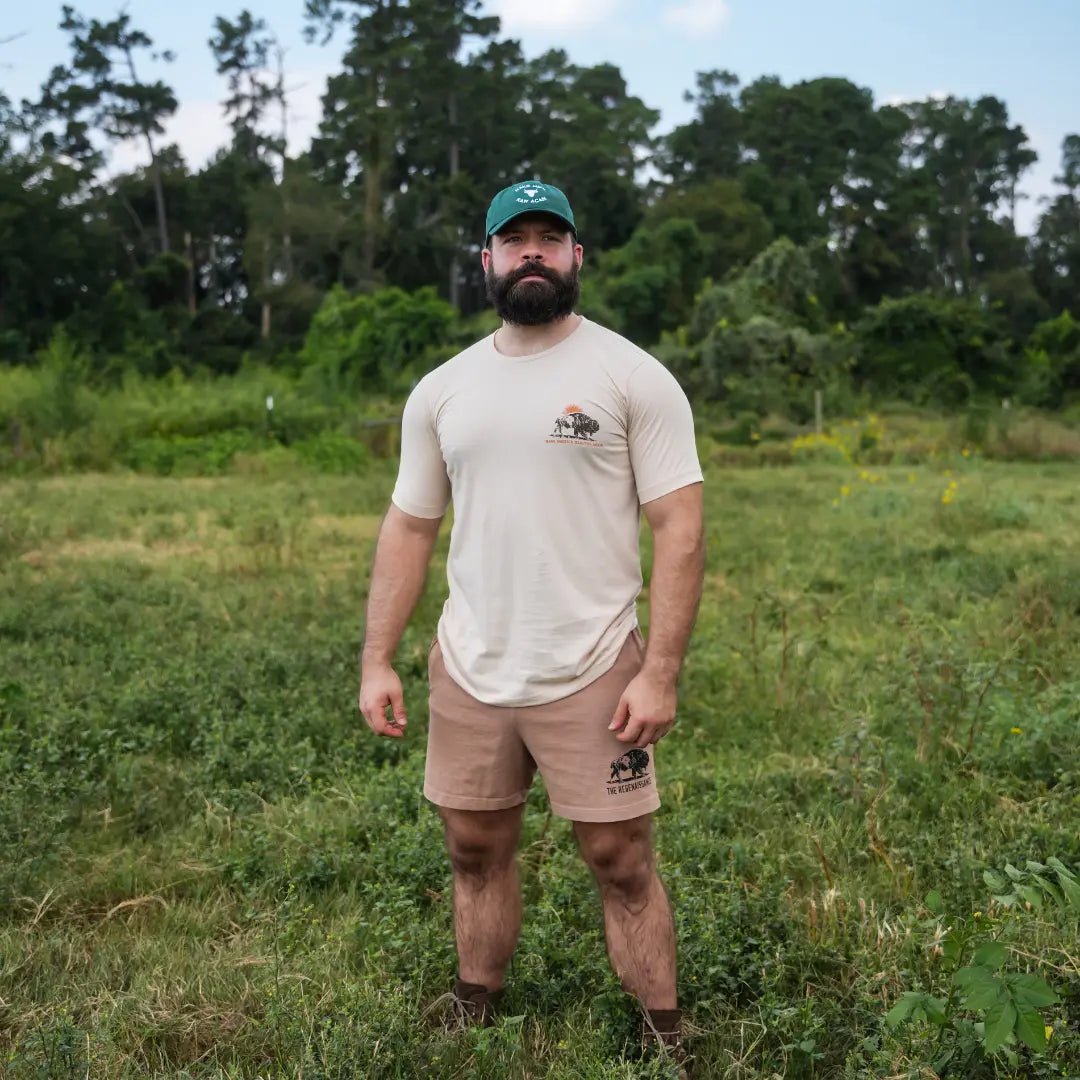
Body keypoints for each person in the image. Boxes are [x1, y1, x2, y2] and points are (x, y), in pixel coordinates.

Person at [357, 180, 705, 1067]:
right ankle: (475, 1002)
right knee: (473, 848)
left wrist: (660, 671)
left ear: (577, 256)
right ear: (488, 259)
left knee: (621, 858)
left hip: (596, 666)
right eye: (516, 240)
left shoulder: (631, 376)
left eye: (551, 237)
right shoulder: (443, 390)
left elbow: (679, 526)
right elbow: (409, 527)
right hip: (471, 665)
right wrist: (378, 658)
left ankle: (665, 1033)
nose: (533, 253)